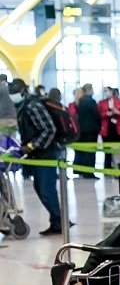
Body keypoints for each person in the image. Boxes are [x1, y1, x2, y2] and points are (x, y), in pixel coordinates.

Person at [15, 81, 64, 234]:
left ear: (23, 90)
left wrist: (32, 145)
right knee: (41, 189)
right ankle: (58, 221)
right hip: (38, 155)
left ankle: (59, 223)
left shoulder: (32, 106)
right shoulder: (23, 106)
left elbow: (49, 129)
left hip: (46, 153)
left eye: (14, 91)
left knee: (46, 190)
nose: (12, 95)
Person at [70, 83, 101, 179]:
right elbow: (96, 115)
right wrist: (99, 126)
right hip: (91, 130)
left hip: (82, 130)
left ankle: (82, 170)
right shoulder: (91, 101)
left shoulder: (80, 101)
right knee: (91, 152)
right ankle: (89, 172)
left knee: (83, 151)